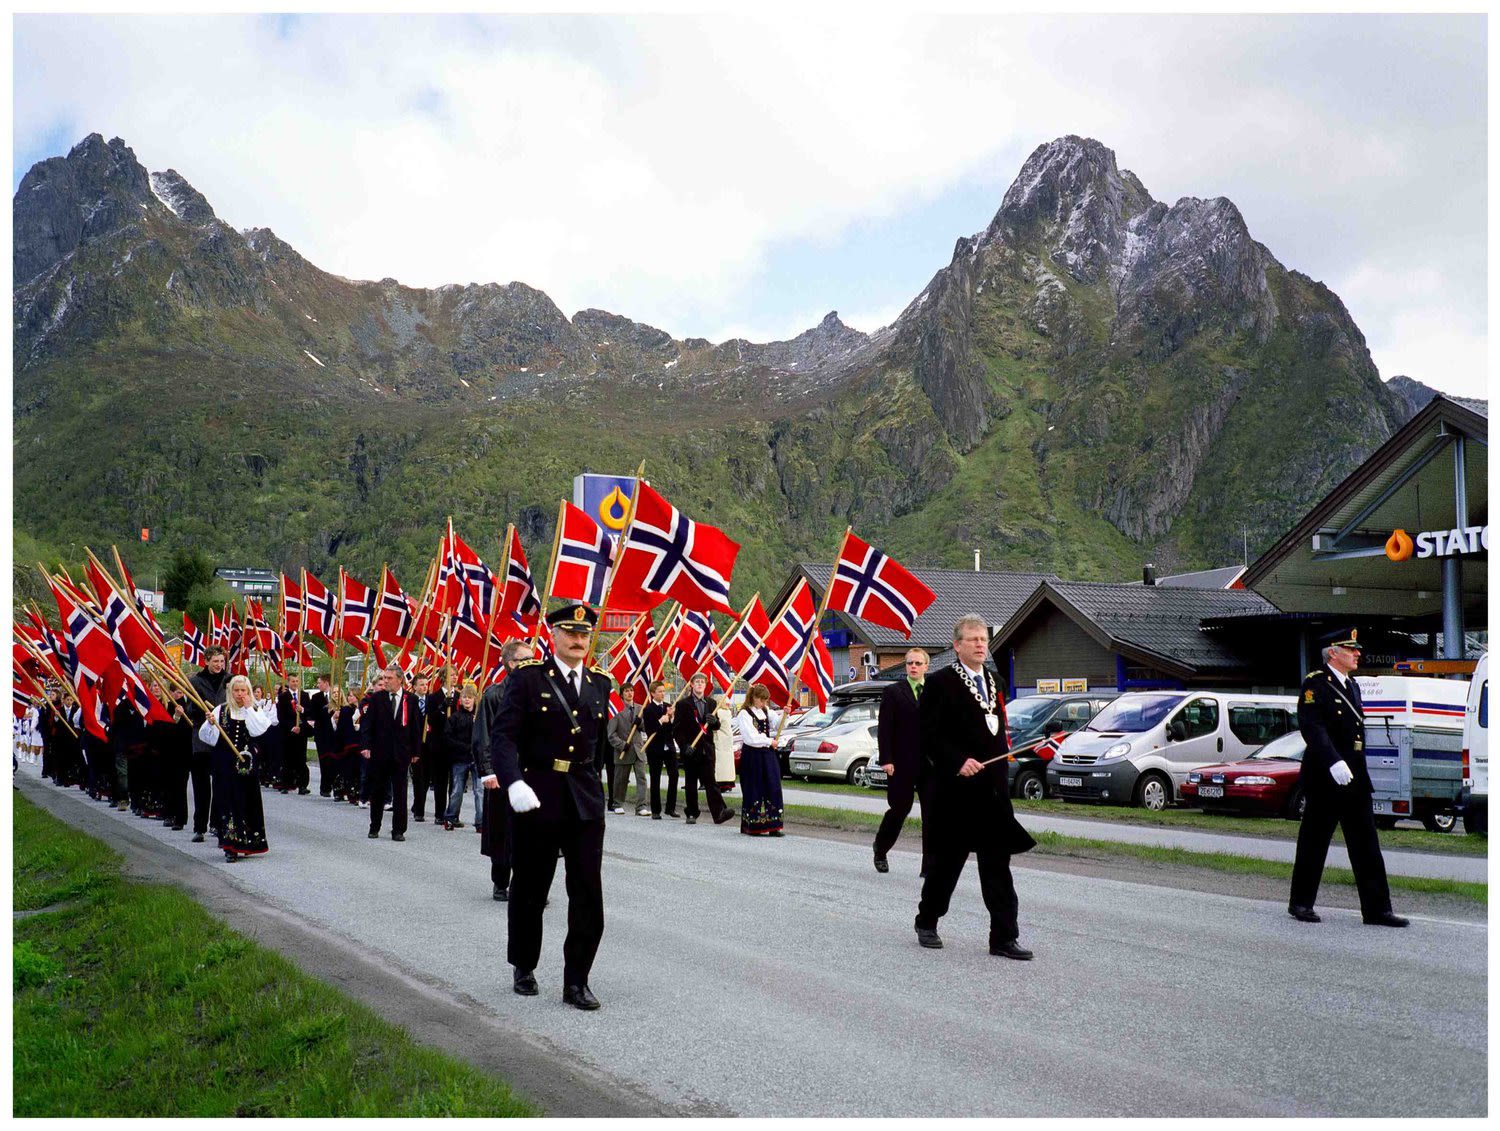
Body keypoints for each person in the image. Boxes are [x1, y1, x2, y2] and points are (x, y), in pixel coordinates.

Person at [479, 604, 612, 1011]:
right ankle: (523, 965)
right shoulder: (528, 678)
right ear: (553, 635)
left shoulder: (600, 683)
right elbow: (503, 737)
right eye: (570, 632)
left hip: (584, 798)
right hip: (537, 793)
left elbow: (597, 746)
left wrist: (599, 789)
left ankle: (577, 980)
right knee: (531, 887)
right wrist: (513, 781)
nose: (578, 640)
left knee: (587, 892)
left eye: (584, 634)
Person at [914, 615, 1036, 960]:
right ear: (957, 645)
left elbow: (996, 730)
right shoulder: (939, 682)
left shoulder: (996, 681)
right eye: (973, 639)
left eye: (984, 639)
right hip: (956, 792)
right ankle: (927, 921)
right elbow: (927, 735)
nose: (981, 645)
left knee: (998, 866)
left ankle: (1003, 937)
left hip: (992, 792)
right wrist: (957, 760)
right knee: (947, 863)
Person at [1288, 629, 1407, 927]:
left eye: (1357, 649)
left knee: (1366, 843)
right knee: (1314, 841)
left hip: (1354, 775)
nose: (1357, 654)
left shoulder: (1352, 685)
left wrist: (1353, 767)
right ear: (1333, 653)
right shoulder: (1316, 683)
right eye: (1351, 649)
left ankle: (1377, 910)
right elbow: (1312, 727)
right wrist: (1333, 761)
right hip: (1326, 775)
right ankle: (1301, 903)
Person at [477, 639, 535, 900]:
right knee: (502, 830)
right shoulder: (494, 695)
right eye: (527, 659)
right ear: (511, 663)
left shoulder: (538, 693)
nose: (532, 664)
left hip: (532, 773)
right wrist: (488, 770)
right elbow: (483, 736)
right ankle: (500, 882)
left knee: (532, 831)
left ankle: (528, 884)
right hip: (503, 774)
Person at [197, 674, 273, 861]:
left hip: (246, 765)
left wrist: (249, 709)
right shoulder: (221, 710)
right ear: (230, 692)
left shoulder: (255, 710)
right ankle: (230, 845)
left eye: (243, 690)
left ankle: (248, 841)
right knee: (227, 801)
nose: (240, 694)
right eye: (236, 690)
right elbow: (206, 737)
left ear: (248, 692)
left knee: (247, 801)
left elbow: (259, 730)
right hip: (225, 764)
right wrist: (210, 724)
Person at [873, 648, 931, 875]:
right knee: (900, 809)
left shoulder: (935, 691)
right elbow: (885, 728)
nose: (913, 667)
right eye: (910, 663)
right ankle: (881, 848)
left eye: (918, 663)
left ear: (926, 666)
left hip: (930, 765)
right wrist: (886, 759)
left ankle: (929, 866)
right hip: (900, 763)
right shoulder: (893, 692)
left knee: (932, 815)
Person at [359, 666, 423, 841]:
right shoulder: (377, 698)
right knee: (378, 790)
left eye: (389, 678)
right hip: (380, 752)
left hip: (401, 753)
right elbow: (367, 724)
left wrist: (416, 751)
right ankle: (375, 826)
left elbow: (416, 727)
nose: (385, 681)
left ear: (400, 680)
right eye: (384, 678)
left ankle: (398, 830)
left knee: (400, 792)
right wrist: (366, 745)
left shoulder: (411, 700)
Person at [674, 673, 735, 825]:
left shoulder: (711, 703)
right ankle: (692, 812)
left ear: (706, 685)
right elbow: (677, 730)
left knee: (711, 782)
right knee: (691, 783)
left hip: (706, 749)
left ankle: (719, 813)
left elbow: (716, 726)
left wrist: (714, 722)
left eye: (702, 682)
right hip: (691, 749)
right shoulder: (683, 704)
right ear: (691, 684)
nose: (700, 684)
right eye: (697, 682)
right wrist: (684, 746)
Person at [185, 646, 230, 843]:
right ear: (207, 661)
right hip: (202, 740)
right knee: (201, 786)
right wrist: (201, 713)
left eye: (221, 661)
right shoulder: (195, 681)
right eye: (215, 661)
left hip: (223, 739)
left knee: (221, 785)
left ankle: (217, 824)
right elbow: (189, 709)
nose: (219, 665)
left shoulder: (230, 680)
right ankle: (199, 827)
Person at [736, 684, 786, 836]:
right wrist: (769, 741)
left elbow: (777, 724)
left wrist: (785, 714)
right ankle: (754, 825)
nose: (764, 703)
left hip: (767, 755)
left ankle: (774, 825)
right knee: (754, 787)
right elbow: (751, 738)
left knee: (773, 786)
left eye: (766, 700)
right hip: (753, 755)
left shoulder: (766, 710)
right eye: (761, 700)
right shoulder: (744, 714)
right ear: (753, 698)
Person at [443, 682, 481, 830]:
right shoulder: (455, 717)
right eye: (464, 697)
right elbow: (448, 737)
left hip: (477, 758)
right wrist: (464, 747)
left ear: (475, 699)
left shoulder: (479, 717)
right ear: (460, 699)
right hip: (460, 758)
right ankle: (451, 817)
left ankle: (480, 822)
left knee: (479, 791)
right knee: (457, 789)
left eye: (470, 697)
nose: (467, 700)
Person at [642, 680, 679, 820]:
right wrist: (660, 721)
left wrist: (671, 718)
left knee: (674, 775)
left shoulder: (668, 707)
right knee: (655, 778)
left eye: (664, 691)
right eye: (659, 691)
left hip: (669, 746)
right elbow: (650, 730)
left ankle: (671, 808)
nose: (662, 694)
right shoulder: (648, 709)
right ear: (652, 693)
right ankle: (656, 810)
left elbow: (672, 729)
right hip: (655, 748)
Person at [606, 696, 650, 816]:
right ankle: (618, 804)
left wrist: (641, 722)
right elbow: (611, 734)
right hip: (624, 749)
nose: (630, 693)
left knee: (642, 778)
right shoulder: (616, 709)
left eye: (631, 690)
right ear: (622, 694)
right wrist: (621, 744)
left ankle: (641, 806)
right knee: (621, 779)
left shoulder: (640, 708)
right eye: (627, 691)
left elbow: (647, 728)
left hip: (638, 749)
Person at [276, 672, 313, 795]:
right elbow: (281, 716)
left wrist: (302, 709)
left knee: (301, 759)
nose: (295, 683)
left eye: (297, 681)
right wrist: (291, 727)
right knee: (287, 758)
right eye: (293, 681)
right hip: (288, 732)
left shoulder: (304, 695)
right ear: (288, 682)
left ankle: (302, 785)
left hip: (301, 732)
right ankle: (286, 784)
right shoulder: (283, 697)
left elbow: (310, 712)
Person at [305, 674, 336, 796]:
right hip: (321, 734)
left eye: (320, 683)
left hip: (334, 734)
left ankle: (336, 786)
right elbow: (312, 714)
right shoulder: (316, 697)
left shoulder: (336, 695)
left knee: (333, 760)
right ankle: (325, 788)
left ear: (326, 683)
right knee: (324, 761)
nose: (318, 685)